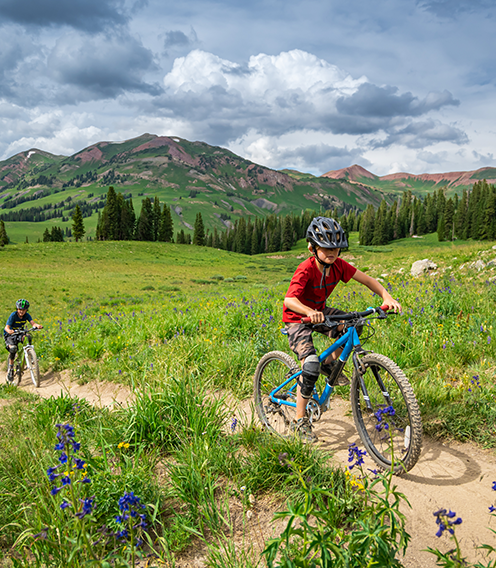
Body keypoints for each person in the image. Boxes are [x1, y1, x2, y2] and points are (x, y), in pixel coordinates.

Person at [283, 216, 402, 442]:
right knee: (309, 366)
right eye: (326, 248)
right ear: (312, 247)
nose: (332, 253)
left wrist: (387, 296)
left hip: (320, 310)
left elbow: (367, 280)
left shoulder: (339, 266)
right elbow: (289, 300)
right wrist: (308, 312)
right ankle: (300, 420)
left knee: (354, 325)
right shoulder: (305, 269)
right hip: (297, 317)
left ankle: (329, 365)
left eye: (336, 248)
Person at [4, 299, 43, 380]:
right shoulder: (13, 315)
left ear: (26, 310)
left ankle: (31, 355)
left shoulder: (27, 315)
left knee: (28, 336)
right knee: (13, 349)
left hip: (20, 332)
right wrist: (9, 331)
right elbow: (6, 327)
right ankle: (10, 369)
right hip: (10, 335)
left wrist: (37, 326)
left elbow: (33, 323)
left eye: (24, 310)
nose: (21, 311)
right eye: (20, 309)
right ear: (17, 309)